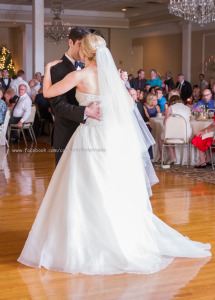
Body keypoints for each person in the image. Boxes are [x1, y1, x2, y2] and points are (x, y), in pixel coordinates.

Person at [18, 34, 211, 275]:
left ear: (84, 53)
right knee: (111, 186)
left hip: (89, 137)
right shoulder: (112, 78)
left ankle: (87, 238)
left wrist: (47, 68)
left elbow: (46, 93)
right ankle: (117, 234)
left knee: (84, 188)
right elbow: (129, 107)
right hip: (113, 139)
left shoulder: (79, 75)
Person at [49, 26, 101, 166]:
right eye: (80, 45)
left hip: (93, 135)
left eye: (85, 45)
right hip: (67, 133)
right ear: (70, 42)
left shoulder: (93, 67)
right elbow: (58, 105)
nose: (83, 50)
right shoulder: (57, 69)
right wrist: (85, 111)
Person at [158, 95, 192, 165]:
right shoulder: (187, 108)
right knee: (169, 133)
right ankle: (174, 157)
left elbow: (165, 123)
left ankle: (163, 157)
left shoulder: (170, 108)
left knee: (163, 135)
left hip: (173, 133)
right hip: (186, 133)